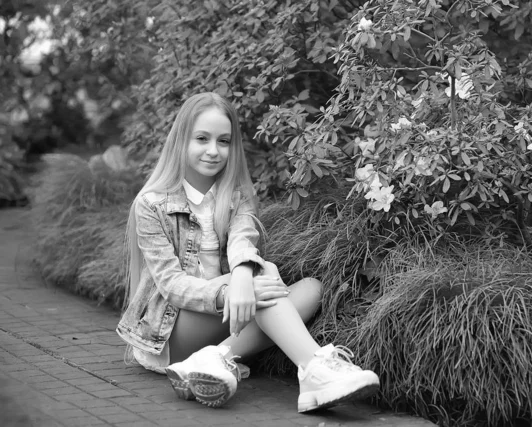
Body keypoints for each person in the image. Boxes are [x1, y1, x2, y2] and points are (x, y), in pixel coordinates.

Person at [116, 92, 379, 412]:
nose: (213, 151)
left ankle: (216, 358)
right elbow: (172, 286)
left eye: (223, 141)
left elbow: (243, 242)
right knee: (264, 277)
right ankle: (314, 368)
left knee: (311, 288)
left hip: (228, 317)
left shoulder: (235, 197)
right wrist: (230, 291)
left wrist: (243, 276)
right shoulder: (151, 204)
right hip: (174, 331)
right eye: (202, 138)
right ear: (181, 141)